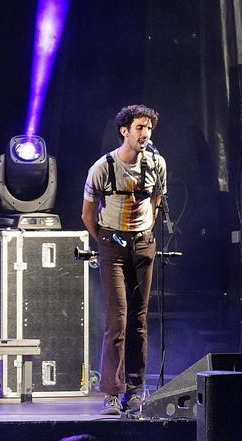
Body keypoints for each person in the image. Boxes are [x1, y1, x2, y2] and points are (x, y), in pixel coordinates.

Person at [82, 104, 167, 416]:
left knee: (139, 321)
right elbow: (87, 214)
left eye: (148, 129)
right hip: (112, 246)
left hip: (143, 243)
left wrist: (144, 231)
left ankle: (135, 389)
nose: (145, 134)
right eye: (140, 128)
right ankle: (111, 393)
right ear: (124, 131)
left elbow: (157, 200)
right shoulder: (102, 168)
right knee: (118, 318)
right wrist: (106, 242)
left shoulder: (157, 163)